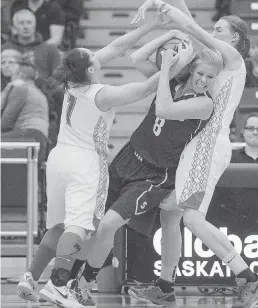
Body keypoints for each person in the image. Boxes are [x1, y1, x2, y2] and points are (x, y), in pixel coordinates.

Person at [16, 14, 185, 307]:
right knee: (79, 226)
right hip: (84, 162)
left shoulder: (70, 81)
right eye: (94, 57)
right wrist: (174, 64)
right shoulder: (101, 95)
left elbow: (118, 46)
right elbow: (146, 89)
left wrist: (153, 28)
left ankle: (30, 277)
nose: (99, 56)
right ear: (92, 68)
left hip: (58, 159)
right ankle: (58, 285)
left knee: (56, 225)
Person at [128, 1, 258, 307]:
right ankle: (165, 285)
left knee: (192, 218)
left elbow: (191, 28)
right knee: (171, 217)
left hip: (208, 144)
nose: (212, 32)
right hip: (198, 144)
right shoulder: (215, 60)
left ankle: (248, 275)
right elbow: (191, 23)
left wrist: (163, 7)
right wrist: (162, 3)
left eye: (219, 30)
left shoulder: (232, 59)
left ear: (234, 38)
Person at [73, 29, 223, 305]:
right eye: (200, 73)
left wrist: (167, 66)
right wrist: (171, 34)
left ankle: (85, 283)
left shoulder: (204, 104)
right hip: (128, 156)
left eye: (210, 77)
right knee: (93, 222)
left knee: (109, 225)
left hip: (155, 174)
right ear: (191, 70)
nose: (203, 80)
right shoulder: (175, 80)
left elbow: (164, 109)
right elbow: (137, 57)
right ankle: (74, 277)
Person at [1, 61, 49, 163]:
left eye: (13, 74)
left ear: (20, 75)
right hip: (41, 140)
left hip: (28, 136)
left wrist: (6, 90)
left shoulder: (20, 87)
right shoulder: (39, 93)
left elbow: (5, 123)